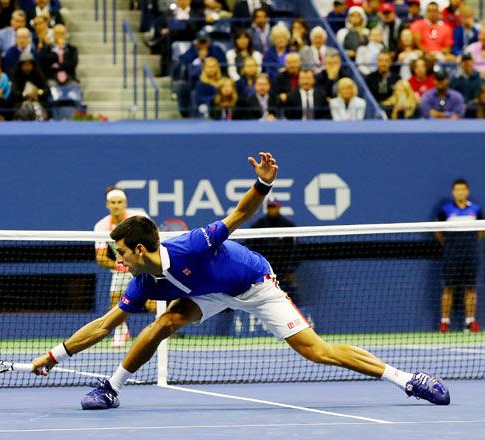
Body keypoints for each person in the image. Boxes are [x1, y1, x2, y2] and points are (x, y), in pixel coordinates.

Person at [30, 152, 451, 409]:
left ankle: (408, 379)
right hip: (207, 294)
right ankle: (111, 388)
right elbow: (105, 326)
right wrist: (54, 356)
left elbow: (237, 215)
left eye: (120, 252)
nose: (116, 259)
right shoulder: (143, 282)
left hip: (253, 283)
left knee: (315, 352)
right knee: (164, 323)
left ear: (139, 250)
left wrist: (263, 181)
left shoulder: (191, 245)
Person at [94, 187, 149, 348]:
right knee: (115, 299)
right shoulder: (101, 226)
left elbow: (152, 244)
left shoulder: (138, 218)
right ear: (107, 205)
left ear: (125, 203)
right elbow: (101, 257)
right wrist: (119, 266)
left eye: (119, 202)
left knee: (152, 303)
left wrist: (140, 263)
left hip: (143, 263)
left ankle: (165, 325)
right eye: (113, 202)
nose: (116, 205)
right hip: (122, 266)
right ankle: (120, 331)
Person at [435, 178, 483, 333]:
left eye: (463, 189)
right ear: (453, 192)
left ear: (467, 191)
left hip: (470, 254)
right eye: (457, 190)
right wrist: (450, 244)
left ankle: (470, 322)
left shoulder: (476, 209)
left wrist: (471, 242)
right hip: (452, 255)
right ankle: (444, 322)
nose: (460, 192)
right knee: (449, 288)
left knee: (470, 288)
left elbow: (482, 230)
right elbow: (437, 230)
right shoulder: (445, 210)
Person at [247, 198, 298, 301]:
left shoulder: (288, 225)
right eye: (270, 207)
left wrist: (290, 270)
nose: (272, 209)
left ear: (279, 207)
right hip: (263, 269)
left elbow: (294, 250)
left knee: (290, 294)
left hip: (283, 269)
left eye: (274, 207)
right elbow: (251, 248)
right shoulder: (258, 225)